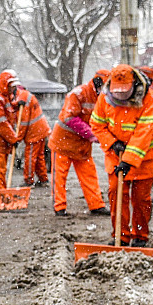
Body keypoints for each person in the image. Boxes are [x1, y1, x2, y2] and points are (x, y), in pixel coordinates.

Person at [90, 64, 153, 247]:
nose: (121, 96)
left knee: (141, 199)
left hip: (145, 157)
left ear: (134, 85)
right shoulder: (104, 99)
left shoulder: (147, 99)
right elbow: (97, 124)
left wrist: (129, 160)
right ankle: (121, 237)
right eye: (118, 92)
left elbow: (143, 133)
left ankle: (140, 236)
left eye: (125, 92)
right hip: (117, 155)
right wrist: (112, 143)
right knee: (116, 195)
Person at [49, 69, 110, 217]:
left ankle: (96, 205)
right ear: (99, 83)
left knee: (89, 175)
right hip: (63, 143)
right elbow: (69, 118)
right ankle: (59, 207)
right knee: (59, 178)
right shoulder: (77, 94)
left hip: (82, 145)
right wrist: (91, 134)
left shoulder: (103, 98)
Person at [16, 86, 50, 187]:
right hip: (41, 129)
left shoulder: (22, 99)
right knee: (39, 156)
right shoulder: (26, 96)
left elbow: (24, 122)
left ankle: (29, 180)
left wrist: (17, 138)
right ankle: (43, 179)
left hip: (34, 133)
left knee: (30, 157)